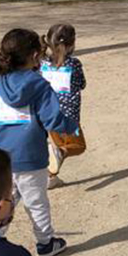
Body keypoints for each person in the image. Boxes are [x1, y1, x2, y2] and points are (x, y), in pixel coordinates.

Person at [0, 28, 77, 256]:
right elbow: (52, 118)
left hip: (2, 156)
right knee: (36, 202)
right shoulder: (39, 85)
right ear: (36, 57)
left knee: (6, 198)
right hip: (31, 156)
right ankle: (45, 243)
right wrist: (71, 126)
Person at [40, 23, 86, 190]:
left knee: (57, 146)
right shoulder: (74, 64)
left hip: (49, 112)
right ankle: (59, 155)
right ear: (72, 44)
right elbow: (81, 84)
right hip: (69, 118)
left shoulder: (42, 62)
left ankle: (50, 177)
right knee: (78, 146)